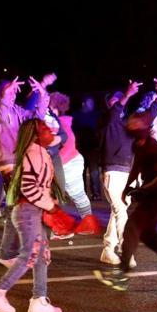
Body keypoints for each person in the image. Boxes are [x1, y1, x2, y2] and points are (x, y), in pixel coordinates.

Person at [94, 83, 157, 291]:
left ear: (141, 128)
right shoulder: (137, 145)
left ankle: (122, 276)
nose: (129, 122)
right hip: (152, 192)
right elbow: (136, 167)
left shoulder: (152, 147)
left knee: (131, 227)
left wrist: (143, 190)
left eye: (133, 122)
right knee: (147, 234)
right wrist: (128, 186)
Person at [0, 119, 64, 312]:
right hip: (28, 211)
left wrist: (50, 203)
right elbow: (28, 188)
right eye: (45, 129)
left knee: (41, 256)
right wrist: (50, 205)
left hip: (33, 210)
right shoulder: (34, 153)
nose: (50, 131)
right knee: (30, 255)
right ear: (35, 136)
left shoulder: (40, 151)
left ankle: (39, 300)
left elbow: (38, 186)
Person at [98, 80, 157, 266]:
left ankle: (108, 250)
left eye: (120, 99)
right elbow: (116, 110)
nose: (118, 102)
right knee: (121, 212)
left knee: (118, 211)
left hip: (128, 172)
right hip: (113, 172)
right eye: (114, 100)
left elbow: (150, 115)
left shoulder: (128, 125)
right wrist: (127, 94)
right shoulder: (108, 121)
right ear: (109, 104)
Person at [48, 92, 101, 235]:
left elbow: (60, 145)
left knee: (60, 197)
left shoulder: (59, 123)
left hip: (68, 163)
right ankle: (86, 223)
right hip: (71, 161)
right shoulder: (68, 120)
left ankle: (65, 228)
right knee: (75, 196)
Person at [72, 95, 102, 201]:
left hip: (93, 147)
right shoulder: (76, 115)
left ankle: (96, 193)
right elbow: (72, 131)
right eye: (90, 102)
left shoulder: (96, 115)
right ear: (83, 103)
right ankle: (82, 194)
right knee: (81, 171)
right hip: (80, 147)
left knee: (94, 171)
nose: (92, 104)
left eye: (92, 102)